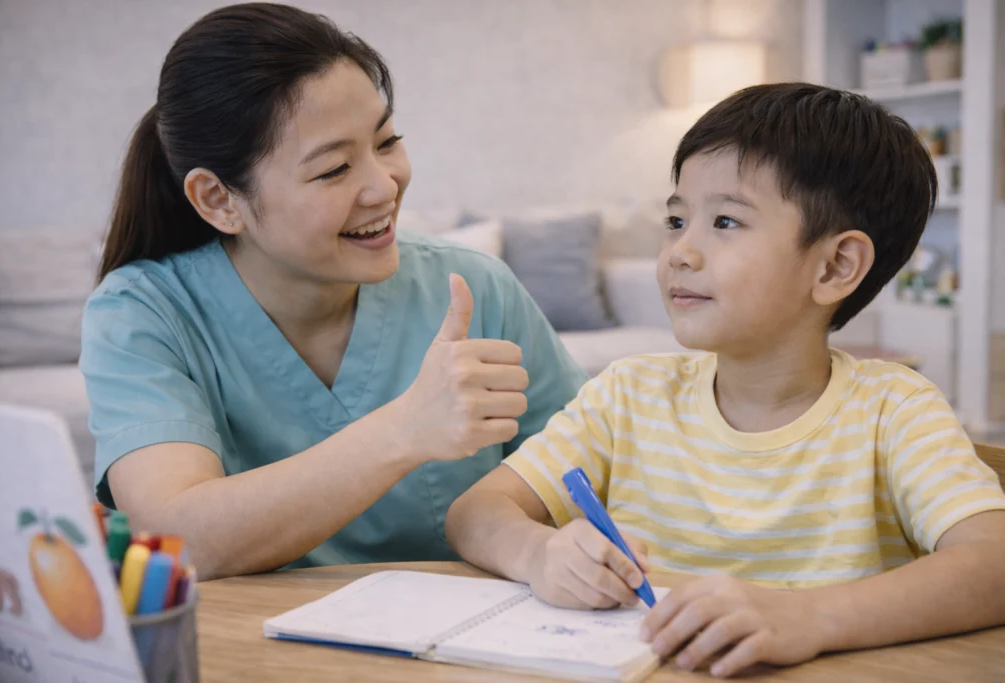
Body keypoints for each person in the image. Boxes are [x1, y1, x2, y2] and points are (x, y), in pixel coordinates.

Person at [445, 83, 1005, 678]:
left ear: (835, 266)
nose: (681, 252)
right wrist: (539, 553)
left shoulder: (894, 411)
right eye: (677, 218)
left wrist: (809, 617)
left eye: (725, 221)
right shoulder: (626, 395)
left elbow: (994, 561)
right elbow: (474, 512)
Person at [79, 3, 585, 581]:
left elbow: (594, 468)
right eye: (334, 169)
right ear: (219, 200)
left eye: (387, 141)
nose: (383, 185)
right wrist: (405, 429)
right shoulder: (144, 315)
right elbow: (179, 540)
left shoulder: (473, 286)